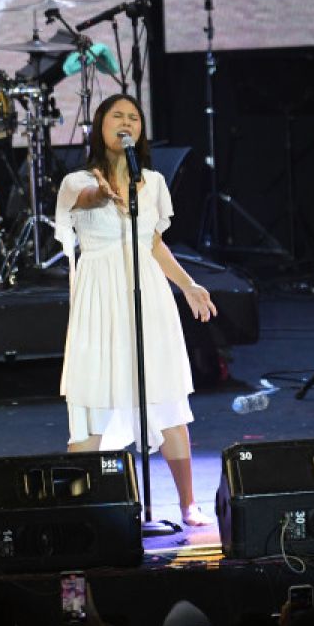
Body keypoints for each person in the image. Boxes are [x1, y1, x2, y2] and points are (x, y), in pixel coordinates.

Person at [54, 94, 218, 527]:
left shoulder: (156, 183)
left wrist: (188, 285)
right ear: (99, 127)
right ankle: (80, 507)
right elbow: (86, 199)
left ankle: (187, 504)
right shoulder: (76, 181)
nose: (126, 122)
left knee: (165, 396)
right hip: (100, 299)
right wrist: (101, 193)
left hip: (148, 294)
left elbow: (154, 245)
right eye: (116, 116)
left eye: (134, 117)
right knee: (94, 396)